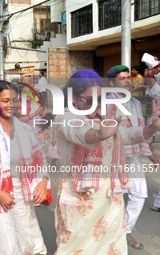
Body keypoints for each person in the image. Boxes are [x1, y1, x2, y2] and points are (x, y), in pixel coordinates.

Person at [53, 69, 160, 255]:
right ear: (72, 99)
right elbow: (81, 135)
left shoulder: (104, 117)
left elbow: (125, 135)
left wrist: (151, 128)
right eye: (89, 100)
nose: (95, 105)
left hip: (110, 198)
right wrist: (99, 134)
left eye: (99, 99)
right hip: (81, 200)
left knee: (110, 248)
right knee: (77, 249)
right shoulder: (66, 118)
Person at [0, 81, 47, 255]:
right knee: (7, 246)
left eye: (14, 101)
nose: (12, 105)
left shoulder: (26, 130)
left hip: (24, 196)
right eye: (6, 101)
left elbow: (41, 159)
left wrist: (43, 182)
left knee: (30, 243)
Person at [107, 64, 157, 250]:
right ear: (112, 83)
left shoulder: (135, 103)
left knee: (139, 195)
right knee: (113, 197)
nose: (128, 81)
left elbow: (142, 128)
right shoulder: (105, 103)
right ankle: (111, 234)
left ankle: (125, 231)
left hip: (133, 157)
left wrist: (149, 153)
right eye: (122, 78)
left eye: (129, 77)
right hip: (112, 158)